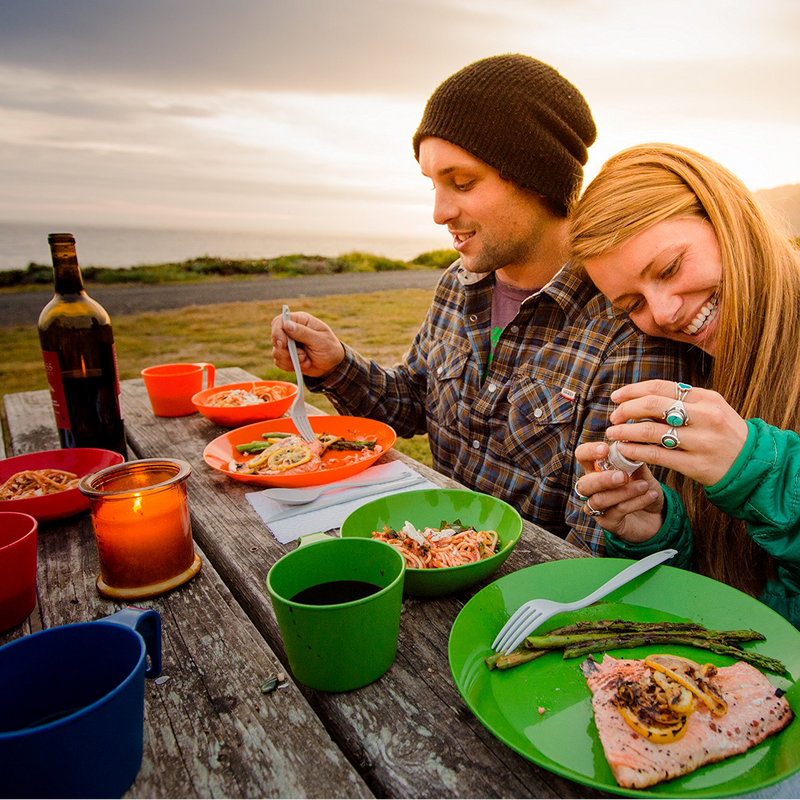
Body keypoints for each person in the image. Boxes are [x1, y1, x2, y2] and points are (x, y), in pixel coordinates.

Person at [271, 55, 690, 552]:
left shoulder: (626, 323)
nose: (439, 211)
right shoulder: (457, 282)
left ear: (536, 177)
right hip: (422, 553)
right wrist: (338, 365)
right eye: (433, 185)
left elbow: (601, 538)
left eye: (462, 183)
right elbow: (411, 405)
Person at [570, 142, 800, 627]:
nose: (665, 313)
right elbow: (736, 598)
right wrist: (655, 531)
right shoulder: (690, 364)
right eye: (632, 303)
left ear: (726, 215)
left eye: (670, 268)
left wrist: (763, 471)